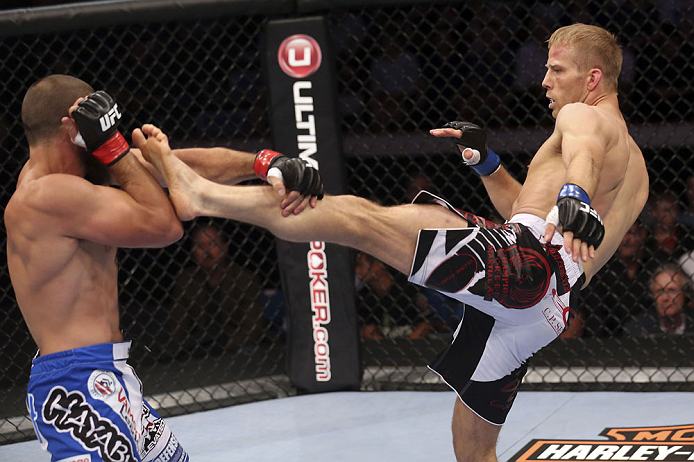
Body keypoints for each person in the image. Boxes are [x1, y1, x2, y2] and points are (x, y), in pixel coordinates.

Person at [136, 24, 649, 462]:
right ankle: (201, 190)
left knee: (360, 219)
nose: (543, 80)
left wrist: (575, 194)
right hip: (542, 305)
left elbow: (578, 160)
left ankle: (202, 195)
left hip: (524, 269)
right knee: (475, 453)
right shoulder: (637, 166)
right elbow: (534, 217)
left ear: (593, 78)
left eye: (556, 70)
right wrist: (487, 164)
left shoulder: (583, 116)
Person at [5, 75, 323, 461]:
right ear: (73, 124)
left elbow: (181, 166)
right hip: (77, 386)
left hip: (109, 374)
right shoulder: (44, 194)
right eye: (94, 112)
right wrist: (112, 145)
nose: (104, 120)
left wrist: (266, 163)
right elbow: (165, 227)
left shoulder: (79, 174)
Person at [169, 223, 266, 357]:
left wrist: (221, 344)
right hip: (197, 347)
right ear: (192, 252)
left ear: (224, 248)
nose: (207, 251)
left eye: (212, 244)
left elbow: (253, 327)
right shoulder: (185, 280)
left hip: (234, 346)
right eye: (200, 246)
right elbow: (178, 326)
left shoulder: (244, 278)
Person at [623, 262, 694, 337]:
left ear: (685, 292)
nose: (665, 298)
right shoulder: (636, 328)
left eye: (672, 290)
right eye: (659, 291)